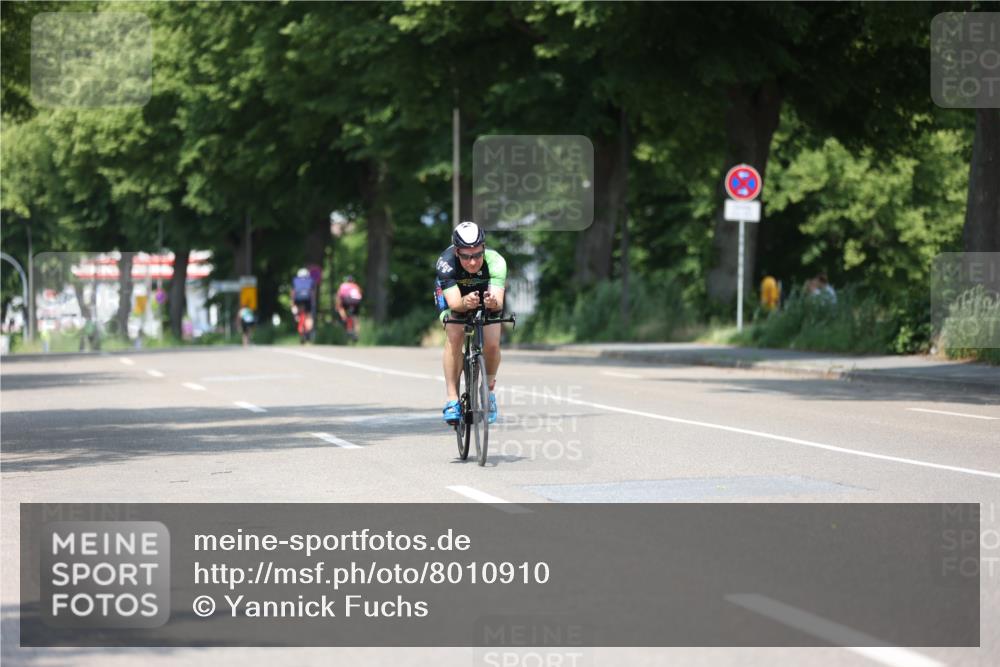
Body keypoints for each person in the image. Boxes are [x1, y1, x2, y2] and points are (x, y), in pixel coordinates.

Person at [435, 221, 507, 425]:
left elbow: (498, 301)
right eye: (466, 256)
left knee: (492, 344)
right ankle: (451, 399)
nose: (473, 262)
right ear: (457, 252)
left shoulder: (496, 261)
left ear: (483, 248)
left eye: (477, 254)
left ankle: (489, 392)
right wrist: (464, 303)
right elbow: (455, 303)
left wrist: (492, 302)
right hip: (455, 297)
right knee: (455, 335)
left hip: (485, 296)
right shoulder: (446, 262)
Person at [290, 268, 315, 340]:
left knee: (296, 309)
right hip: (308, 299)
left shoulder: (295, 280)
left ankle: (296, 317)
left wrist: (292, 302)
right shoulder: (310, 280)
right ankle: (307, 330)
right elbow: (312, 293)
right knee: (309, 315)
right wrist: (313, 302)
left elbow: (293, 292)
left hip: (298, 300)